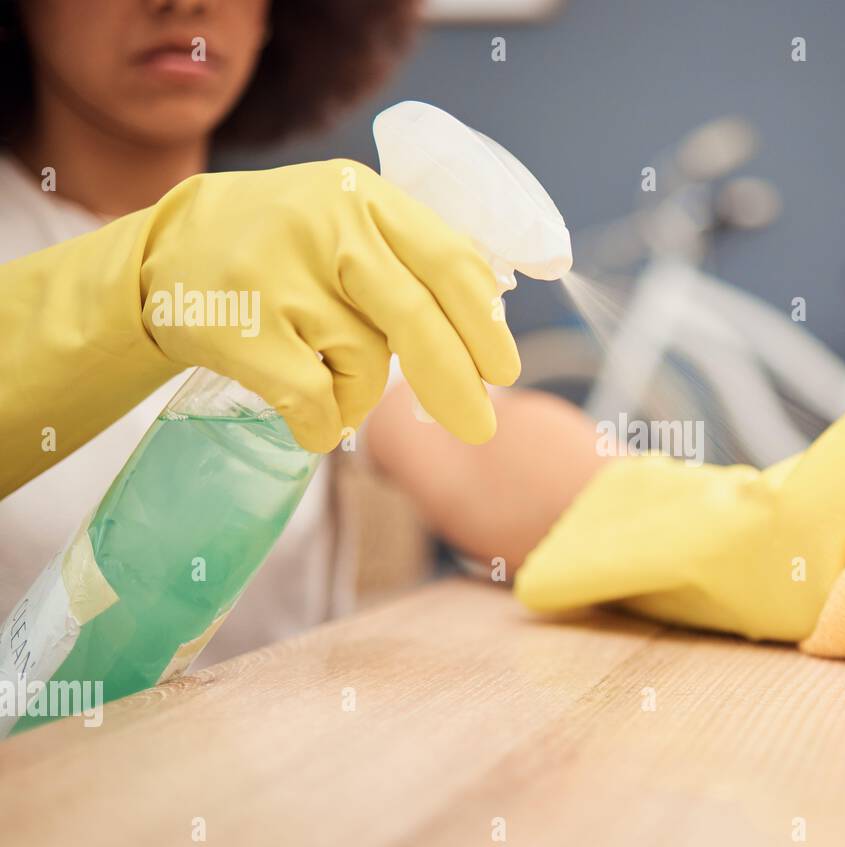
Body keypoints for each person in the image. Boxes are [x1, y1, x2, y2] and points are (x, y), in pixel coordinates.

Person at [0, 0, 603, 663]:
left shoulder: (299, 244)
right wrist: (133, 286)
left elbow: (474, 454)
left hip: (271, 762)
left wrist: (671, 507)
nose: (185, 3)